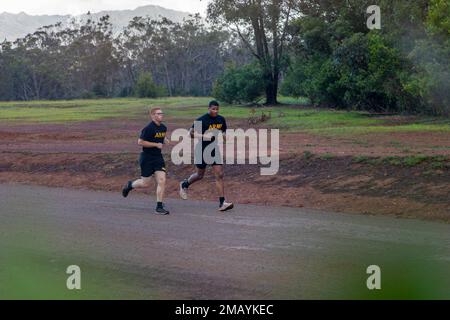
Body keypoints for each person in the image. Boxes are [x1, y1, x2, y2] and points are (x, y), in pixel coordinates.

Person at [179, 100, 234, 212]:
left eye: (217, 109)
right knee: (200, 175)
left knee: (219, 175)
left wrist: (224, 137)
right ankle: (185, 184)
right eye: (213, 109)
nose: (215, 111)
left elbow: (223, 131)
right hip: (201, 149)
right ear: (208, 108)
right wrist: (205, 136)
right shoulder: (202, 119)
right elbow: (191, 134)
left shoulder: (221, 119)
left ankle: (222, 203)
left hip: (214, 149)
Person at [122, 107, 170, 215]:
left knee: (162, 180)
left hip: (158, 158)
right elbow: (140, 142)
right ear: (153, 116)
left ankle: (159, 206)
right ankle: (130, 185)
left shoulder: (163, 127)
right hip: (147, 158)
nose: (161, 115)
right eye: (158, 113)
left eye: (162, 113)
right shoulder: (148, 128)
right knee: (145, 183)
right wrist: (156, 144)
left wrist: (165, 140)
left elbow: (161, 136)